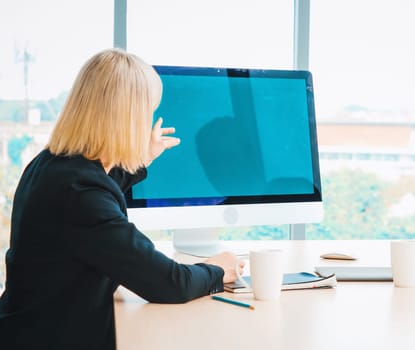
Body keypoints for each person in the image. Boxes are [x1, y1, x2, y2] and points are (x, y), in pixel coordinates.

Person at [0, 48, 245, 349]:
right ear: (127, 119)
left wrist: (141, 160)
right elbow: (170, 284)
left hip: (26, 328)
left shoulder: (53, 164)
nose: (149, 121)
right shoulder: (82, 194)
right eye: (147, 112)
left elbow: (96, 200)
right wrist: (218, 270)